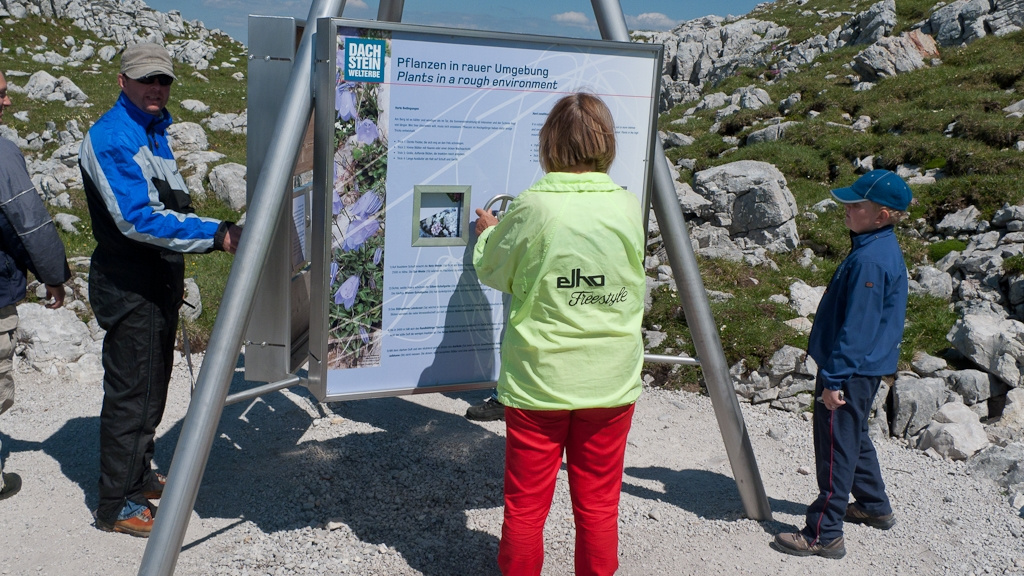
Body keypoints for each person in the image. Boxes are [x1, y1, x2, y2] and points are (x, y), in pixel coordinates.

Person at [473, 92, 646, 576]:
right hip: (610, 381)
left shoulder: (534, 206)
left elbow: (494, 269)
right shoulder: (627, 205)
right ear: (606, 141)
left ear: (549, 142)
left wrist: (489, 230)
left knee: (526, 507)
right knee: (598, 505)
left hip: (540, 382)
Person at [79, 43, 242, 537]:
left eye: (164, 80)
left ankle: (138, 473)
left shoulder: (155, 128)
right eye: (146, 78)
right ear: (122, 80)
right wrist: (218, 234)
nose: (156, 88)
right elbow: (136, 218)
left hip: (156, 281)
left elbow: (169, 201)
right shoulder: (112, 136)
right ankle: (116, 504)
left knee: (151, 388)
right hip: (130, 284)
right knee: (132, 393)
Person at [773, 169, 912, 560]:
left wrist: (834, 378)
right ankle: (873, 506)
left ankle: (824, 533)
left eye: (856, 205)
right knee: (854, 437)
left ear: (882, 215)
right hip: (862, 369)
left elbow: (859, 328)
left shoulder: (871, 260)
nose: (847, 209)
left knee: (835, 446)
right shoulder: (876, 246)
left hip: (849, 370)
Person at [0, 70, 73, 502]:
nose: (7, 103)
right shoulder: (3, 154)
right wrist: (53, 276)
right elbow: (28, 223)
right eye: (2, 94)